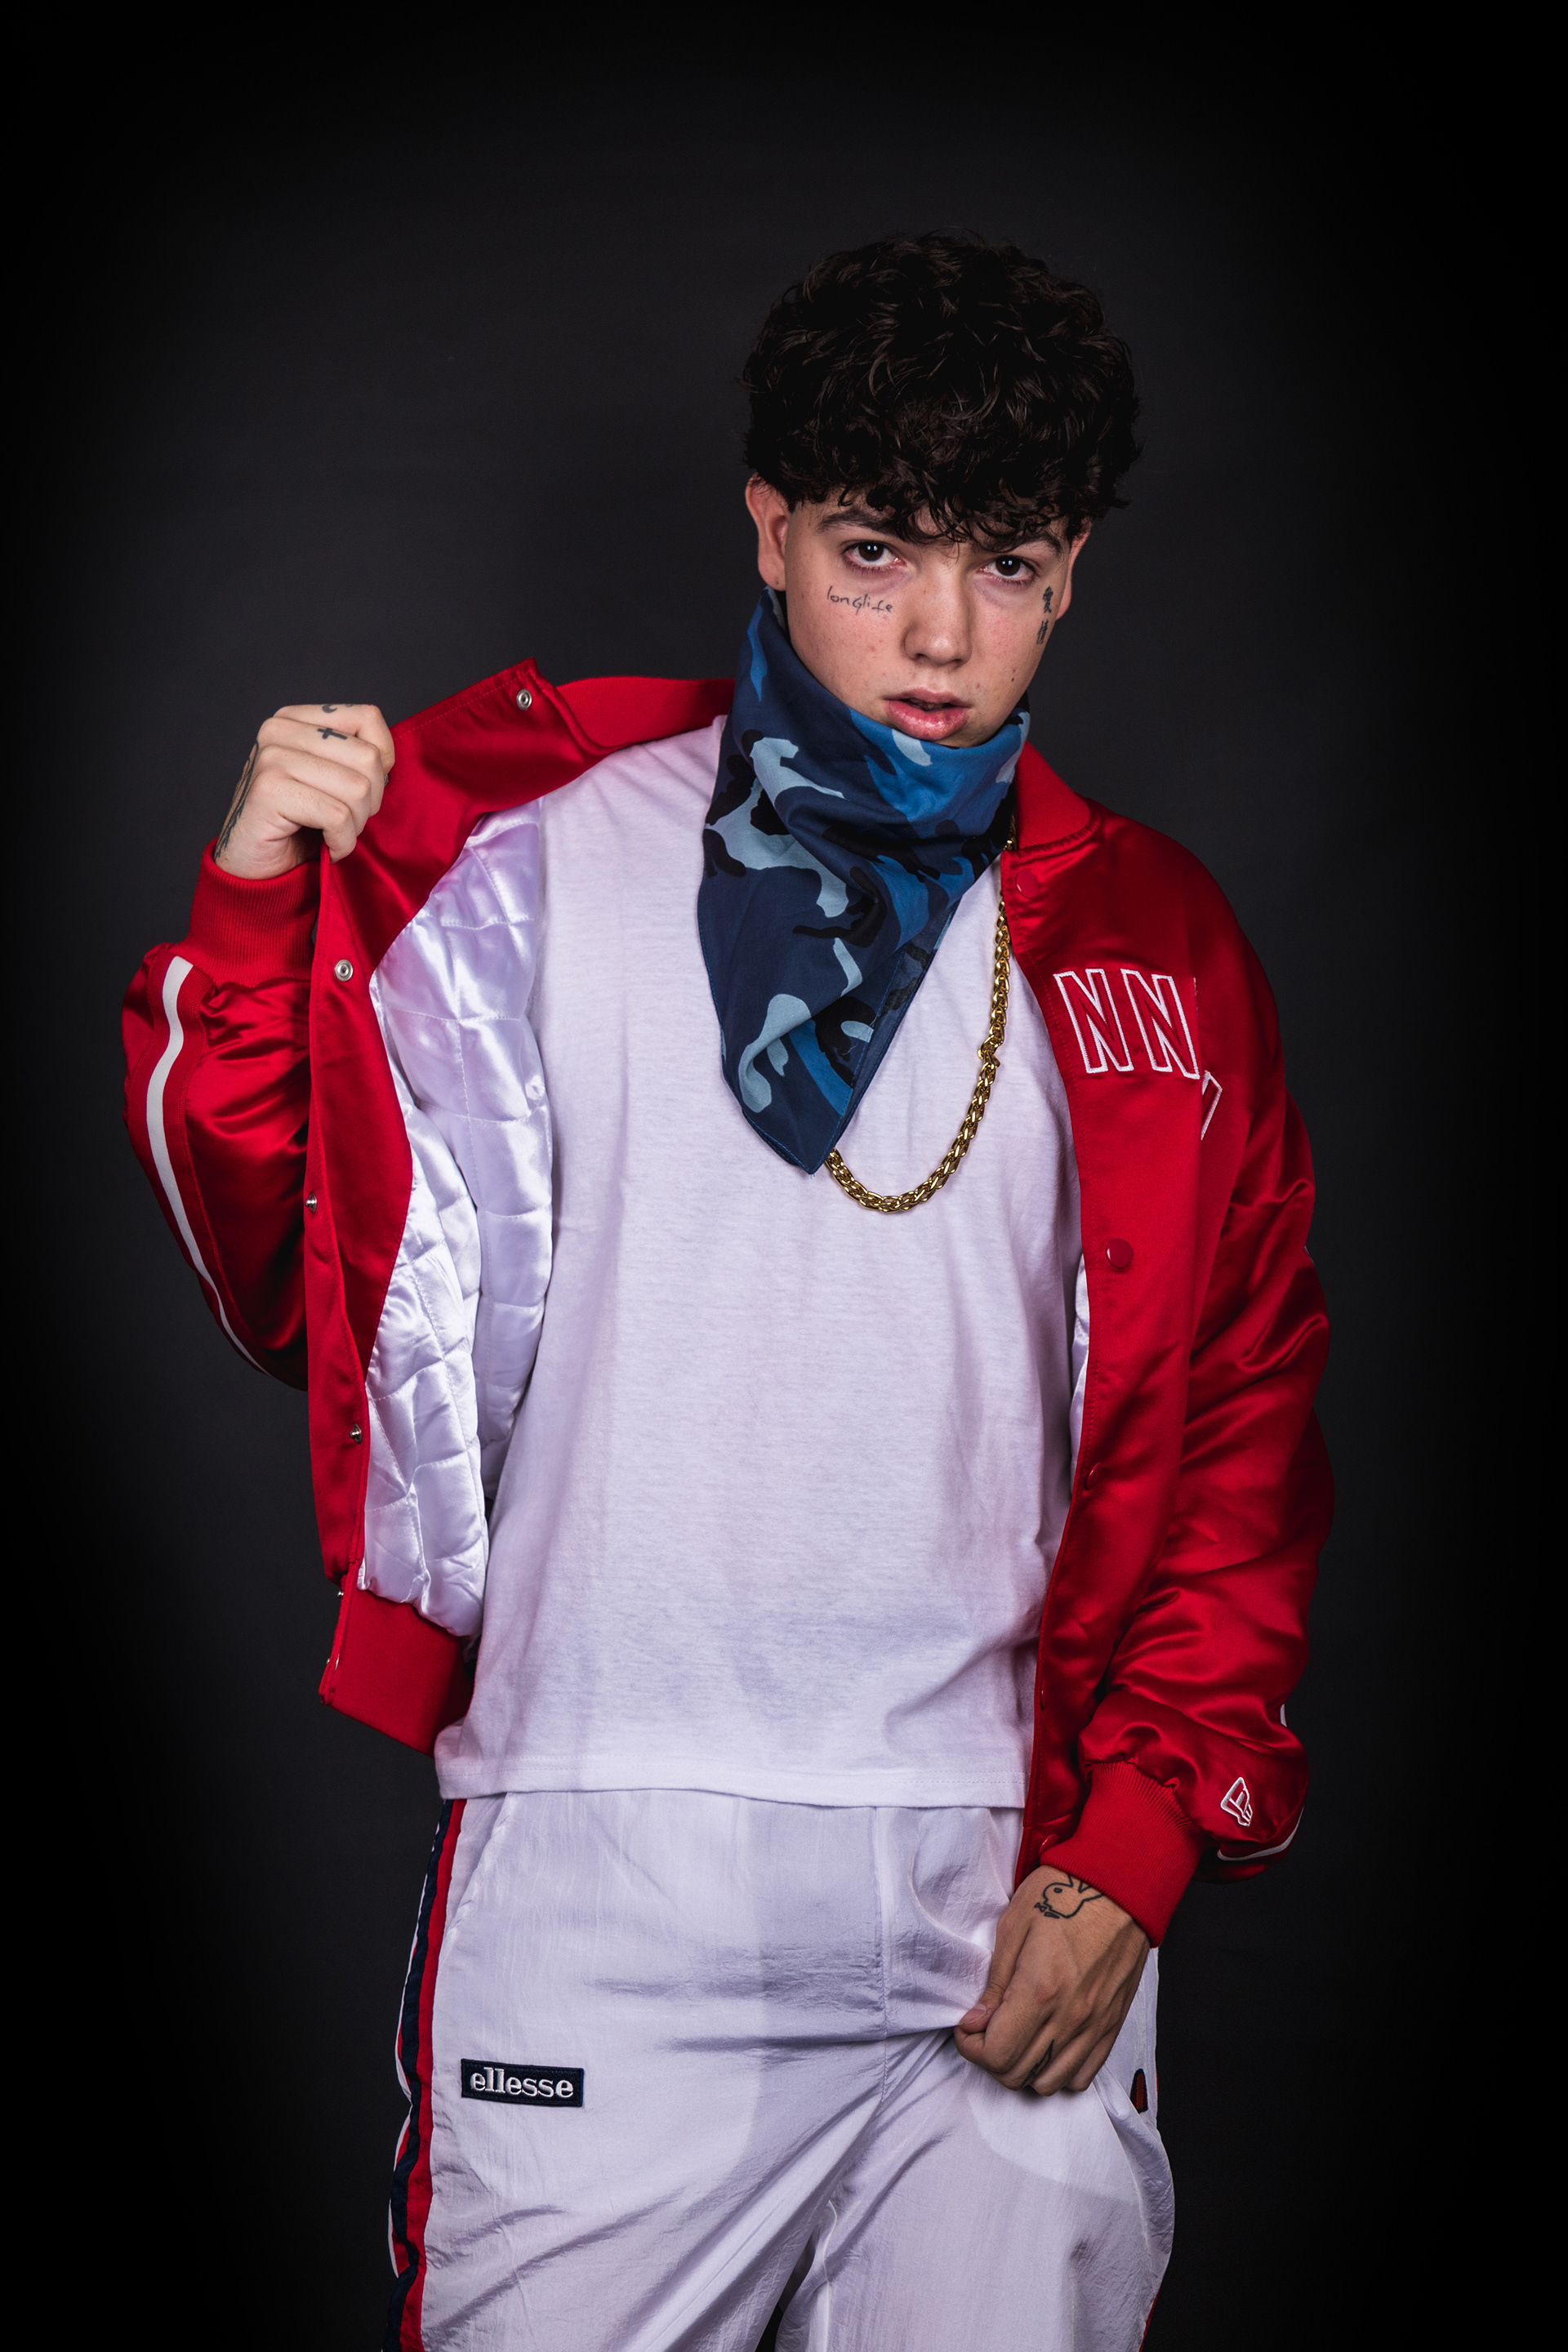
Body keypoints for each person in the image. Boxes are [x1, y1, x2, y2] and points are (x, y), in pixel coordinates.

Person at [122, 233, 1330, 2351]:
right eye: (876, 554)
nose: (941, 637)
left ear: (1072, 571)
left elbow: (1241, 1434)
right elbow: (295, 1283)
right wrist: (245, 922)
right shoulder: (524, 849)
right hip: (610, 1851)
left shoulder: (1162, 941)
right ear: (768, 528)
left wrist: (1141, 1843)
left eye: (1009, 565)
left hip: (1004, 1883)